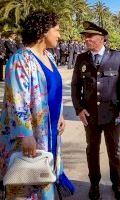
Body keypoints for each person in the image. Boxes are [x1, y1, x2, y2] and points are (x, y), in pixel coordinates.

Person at [0, 10, 74, 199]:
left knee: (44, 177)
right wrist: (25, 134)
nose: (59, 34)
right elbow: (17, 100)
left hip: (49, 132)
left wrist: (60, 115)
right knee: (27, 184)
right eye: (56, 30)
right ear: (43, 31)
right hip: (30, 137)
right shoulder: (21, 59)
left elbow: (53, 91)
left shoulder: (49, 57)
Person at [71, 21, 120, 200]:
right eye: (85, 37)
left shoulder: (117, 57)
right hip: (90, 115)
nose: (86, 39)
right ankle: (94, 184)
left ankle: (117, 183)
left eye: (90, 36)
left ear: (102, 38)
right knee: (92, 150)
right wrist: (79, 109)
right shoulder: (81, 58)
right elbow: (75, 87)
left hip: (112, 114)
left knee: (114, 150)